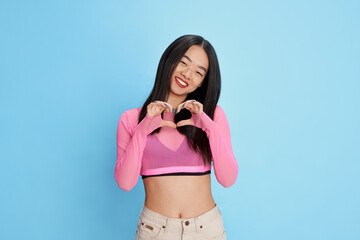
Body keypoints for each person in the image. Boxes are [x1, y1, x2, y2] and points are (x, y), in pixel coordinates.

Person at [115, 34, 238, 240]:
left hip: (207, 230)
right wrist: (142, 130)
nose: (187, 74)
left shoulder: (213, 117)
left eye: (199, 72)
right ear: (168, 61)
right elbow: (125, 183)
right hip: (155, 231)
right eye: (183, 63)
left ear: (202, 83)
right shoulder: (130, 119)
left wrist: (210, 127)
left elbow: (227, 179)